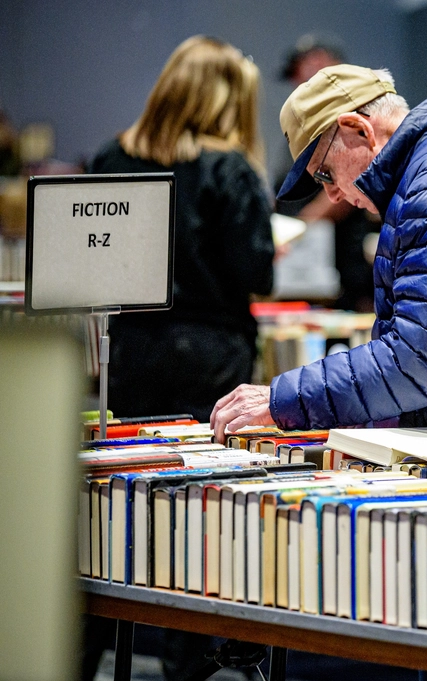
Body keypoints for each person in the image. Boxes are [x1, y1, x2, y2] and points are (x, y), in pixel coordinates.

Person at [210, 65, 427, 444]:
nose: (331, 194)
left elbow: (421, 360)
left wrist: (285, 398)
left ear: (358, 129)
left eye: (326, 173)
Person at [89, 36, 275, 424]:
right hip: (211, 351)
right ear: (225, 100)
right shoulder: (229, 169)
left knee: (130, 454)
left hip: (130, 347)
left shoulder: (111, 157)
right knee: (209, 459)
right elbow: (256, 274)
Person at [275, 34, 377, 311]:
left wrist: (301, 228)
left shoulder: (349, 117)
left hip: (341, 270)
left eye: (301, 74)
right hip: (307, 269)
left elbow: (353, 181)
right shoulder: (306, 126)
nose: (297, 86)